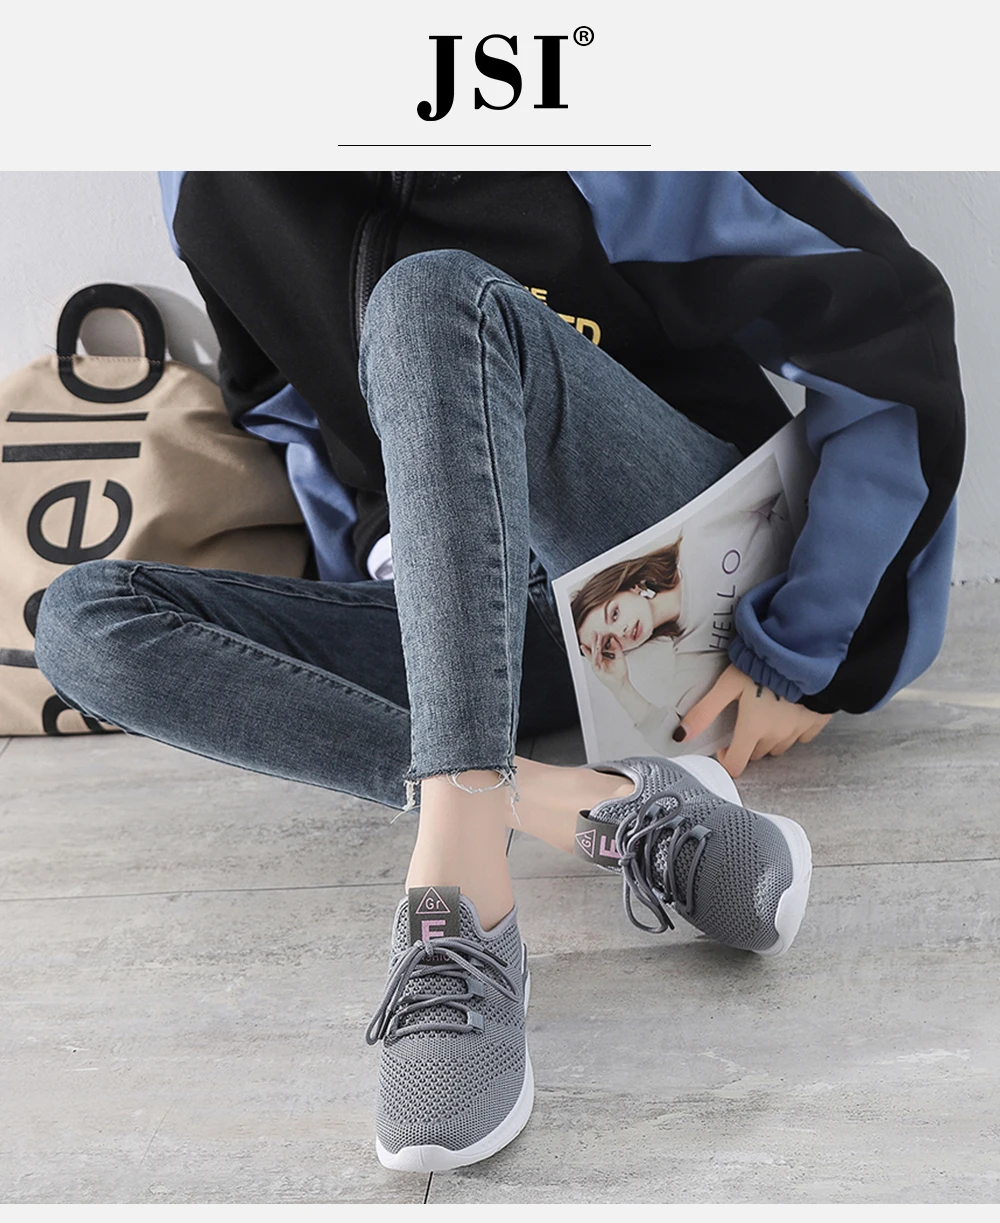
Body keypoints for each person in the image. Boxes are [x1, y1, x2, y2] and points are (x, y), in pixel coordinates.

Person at [33, 171, 965, 1173]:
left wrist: (811, 640)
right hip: (473, 608)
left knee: (430, 297)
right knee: (81, 624)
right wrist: (403, 567)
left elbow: (884, 311)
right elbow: (287, 409)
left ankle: (459, 898)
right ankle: (590, 807)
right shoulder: (205, 177)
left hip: (665, 572)